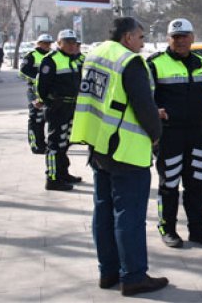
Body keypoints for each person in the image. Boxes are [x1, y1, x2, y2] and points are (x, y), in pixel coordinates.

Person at [70, 17, 168, 296]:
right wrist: (156, 133)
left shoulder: (95, 54)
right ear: (127, 37)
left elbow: (110, 98)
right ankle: (133, 277)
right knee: (129, 216)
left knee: (103, 212)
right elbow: (142, 105)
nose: (143, 43)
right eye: (141, 37)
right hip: (126, 149)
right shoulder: (130, 61)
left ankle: (108, 272)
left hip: (99, 144)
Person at [146, 18, 202, 248]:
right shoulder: (155, 63)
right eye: (175, 37)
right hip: (169, 135)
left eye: (184, 36)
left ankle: (198, 230)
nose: (180, 41)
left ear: (192, 37)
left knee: (197, 184)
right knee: (169, 185)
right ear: (168, 39)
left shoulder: (201, 62)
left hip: (197, 134)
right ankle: (167, 229)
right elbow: (147, 100)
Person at [37, 30, 83, 191]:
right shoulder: (51, 60)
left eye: (73, 42)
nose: (71, 46)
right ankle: (52, 178)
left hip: (72, 107)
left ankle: (63, 173)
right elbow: (42, 86)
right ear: (59, 43)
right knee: (55, 144)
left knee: (65, 143)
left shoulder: (76, 59)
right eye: (67, 42)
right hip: (58, 108)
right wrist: (50, 102)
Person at [20, 34, 54, 154]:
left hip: (48, 91)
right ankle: (36, 144)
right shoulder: (31, 56)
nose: (47, 45)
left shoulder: (52, 55)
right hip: (34, 91)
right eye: (44, 43)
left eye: (49, 43)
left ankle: (45, 144)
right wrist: (38, 80)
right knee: (36, 117)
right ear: (39, 43)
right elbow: (22, 73)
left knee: (47, 118)